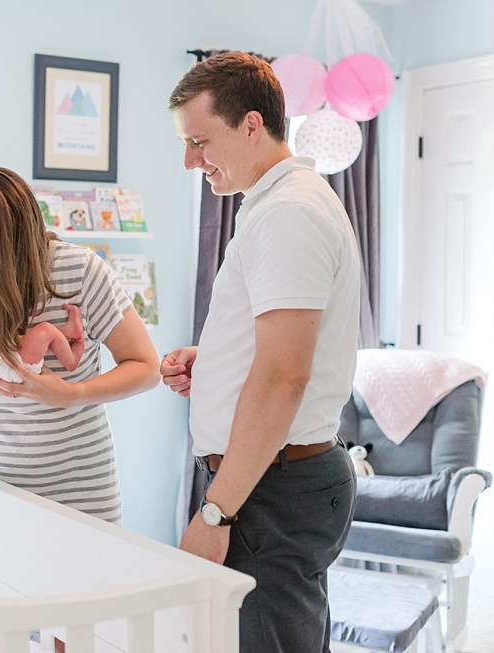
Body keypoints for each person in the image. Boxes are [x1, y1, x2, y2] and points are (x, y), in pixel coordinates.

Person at [162, 52, 361, 652]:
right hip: (269, 477)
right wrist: (218, 360)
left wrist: (217, 514)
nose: (191, 159)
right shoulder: (276, 204)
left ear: (252, 125)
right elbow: (282, 348)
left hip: (269, 489)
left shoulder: (288, 214)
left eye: (201, 140)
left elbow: (283, 378)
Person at [0, 166, 161, 525]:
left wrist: (71, 394)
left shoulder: (79, 270)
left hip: (79, 496)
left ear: (5, 246)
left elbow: (146, 368)